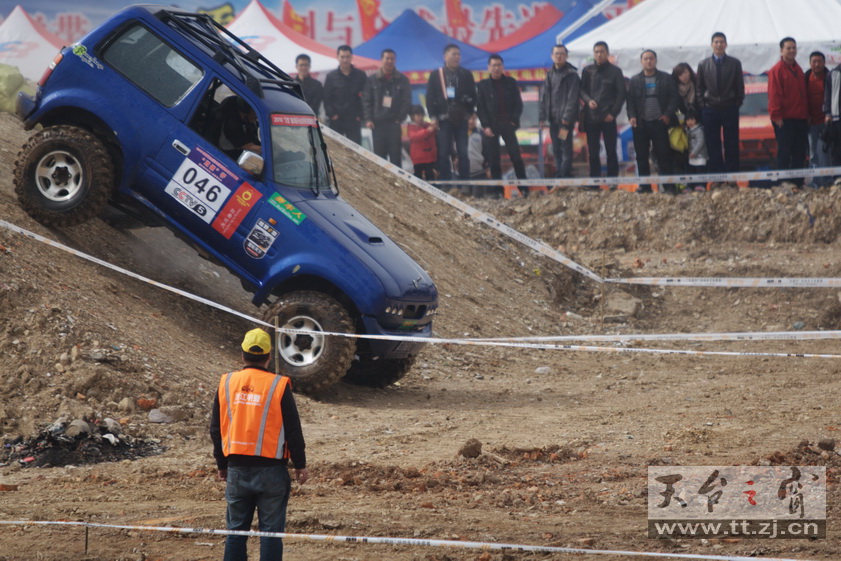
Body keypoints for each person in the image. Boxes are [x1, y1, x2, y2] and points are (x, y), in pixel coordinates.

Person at [210, 328, 308, 561]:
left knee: (235, 533)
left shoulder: (227, 383)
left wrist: (221, 464)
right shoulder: (278, 385)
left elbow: (216, 429)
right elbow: (293, 429)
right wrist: (300, 464)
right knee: (271, 535)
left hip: (236, 468)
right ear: (268, 356)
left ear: (243, 354)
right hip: (272, 471)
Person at [627, 49, 679, 194]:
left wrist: (667, 114)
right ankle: (645, 186)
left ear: (656, 60)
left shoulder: (665, 78)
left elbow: (674, 98)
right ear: (641, 61)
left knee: (664, 155)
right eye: (645, 59)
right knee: (642, 156)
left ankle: (668, 186)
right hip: (641, 124)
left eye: (651, 58)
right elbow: (630, 100)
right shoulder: (635, 80)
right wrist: (631, 116)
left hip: (659, 122)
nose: (648, 61)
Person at [425, 44, 477, 182]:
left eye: (459, 54)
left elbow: (473, 95)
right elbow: (430, 97)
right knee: (443, 153)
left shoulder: (466, 74)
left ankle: (465, 184)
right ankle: (447, 185)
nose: (457, 57)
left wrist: (469, 113)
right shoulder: (436, 75)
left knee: (463, 152)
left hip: (461, 119)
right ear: (445, 56)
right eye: (454, 54)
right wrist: (433, 117)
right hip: (443, 119)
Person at [696, 32, 744, 178]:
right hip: (710, 109)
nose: (719, 45)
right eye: (716, 42)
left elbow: (740, 86)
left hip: (730, 107)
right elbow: (699, 88)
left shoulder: (735, 63)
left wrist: (736, 104)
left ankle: (732, 177)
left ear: (726, 44)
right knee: (713, 145)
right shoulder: (703, 64)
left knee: (732, 144)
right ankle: (717, 177)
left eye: (721, 42)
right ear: (711, 44)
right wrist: (703, 105)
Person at [476, 54, 526, 191]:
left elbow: (518, 104)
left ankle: (524, 189)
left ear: (503, 66)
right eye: (493, 65)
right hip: (491, 126)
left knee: (516, 157)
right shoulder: (483, 85)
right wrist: (485, 125)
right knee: (494, 160)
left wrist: (514, 121)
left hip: (508, 124)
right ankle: (497, 192)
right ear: (488, 67)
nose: (496, 68)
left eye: (499, 65)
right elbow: (480, 108)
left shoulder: (511, 82)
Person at [580, 41, 626, 179]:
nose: (599, 55)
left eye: (602, 52)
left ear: (607, 53)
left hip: (608, 116)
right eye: (596, 52)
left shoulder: (615, 71)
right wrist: (588, 101)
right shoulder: (587, 71)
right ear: (593, 54)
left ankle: (613, 179)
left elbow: (621, 93)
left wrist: (613, 113)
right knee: (593, 151)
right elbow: (581, 90)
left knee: (611, 150)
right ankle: (595, 179)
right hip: (591, 117)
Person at [768, 37, 808, 184]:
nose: (792, 51)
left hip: (800, 118)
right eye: (789, 48)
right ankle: (784, 183)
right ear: (781, 50)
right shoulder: (776, 70)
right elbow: (774, 94)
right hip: (784, 119)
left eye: (794, 48)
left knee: (800, 153)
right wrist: (776, 116)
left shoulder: (798, 69)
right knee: (784, 153)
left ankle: (798, 183)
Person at [363, 48, 412, 166]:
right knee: (379, 158)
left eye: (392, 59)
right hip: (377, 124)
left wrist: (400, 118)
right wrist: (368, 119)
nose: (389, 61)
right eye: (387, 58)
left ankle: (396, 183)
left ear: (395, 61)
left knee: (395, 157)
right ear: (381, 60)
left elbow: (406, 100)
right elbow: (366, 100)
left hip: (394, 123)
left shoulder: (402, 79)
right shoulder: (372, 79)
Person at [538, 44, 580, 180]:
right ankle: (559, 174)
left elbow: (573, 98)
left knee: (565, 148)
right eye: (556, 53)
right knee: (556, 148)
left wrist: (567, 116)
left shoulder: (572, 74)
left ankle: (564, 175)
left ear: (566, 56)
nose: (559, 56)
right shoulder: (550, 74)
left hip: (565, 121)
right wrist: (542, 115)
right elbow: (544, 96)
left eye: (562, 54)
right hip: (553, 119)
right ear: (552, 56)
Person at [323, 45, 367, 144]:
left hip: (354, 119)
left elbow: (366, 97)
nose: (345, 60)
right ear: (337, 57)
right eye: (342, 57)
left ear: (351, 57)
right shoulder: (331, 76)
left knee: (355, 151)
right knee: (335, 150)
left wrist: (361, 115)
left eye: (347, 57)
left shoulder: (360, 75)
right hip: (336, 120)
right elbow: (326, 97)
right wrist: (332, 114)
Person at [805, 51, 830, 186]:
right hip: (812, 122)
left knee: (827, 151)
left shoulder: (830, 77)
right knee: (814, 152)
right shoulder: (805, 78)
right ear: (810, 63)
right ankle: (816, 180)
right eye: (814, 61)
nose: (817, 64)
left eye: (819, 61)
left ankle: (828, 179)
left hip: (827, 122)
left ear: (824, 63)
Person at [221, 96, 261, 160]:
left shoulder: (248, 121)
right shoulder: (231, 125)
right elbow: (248, 146)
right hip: (226, 154)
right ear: (245, 111)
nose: (257, 116)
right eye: (255, 112)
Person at [407, 105, 438, 180]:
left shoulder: (428, 125)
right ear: (413, 116)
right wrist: (427, 131)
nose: (420, 118)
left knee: (430, 177)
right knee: (418, 178)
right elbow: (414, 136)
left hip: (430, 158)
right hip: (418, 159)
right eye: (418, 115)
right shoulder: (411, 127)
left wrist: (435, 126)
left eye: (422, 115)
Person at [686, 110, 708, 191]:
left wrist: (694, 152)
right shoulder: (688, 131)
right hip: (691, 156)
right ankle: (690, 186)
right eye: (688, 120)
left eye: (692, 120)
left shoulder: (699, 130)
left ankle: (701, 185)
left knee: (700, 171)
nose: (690, 122)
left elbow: (700, 142)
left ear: (696, 120)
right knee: (691, 172)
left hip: (700, 156)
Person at [824, 59, 841, 168]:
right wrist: (828, 113)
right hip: (837, 118)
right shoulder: (833, 74)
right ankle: (838, 178)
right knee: (837, 148)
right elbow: (828, 95)